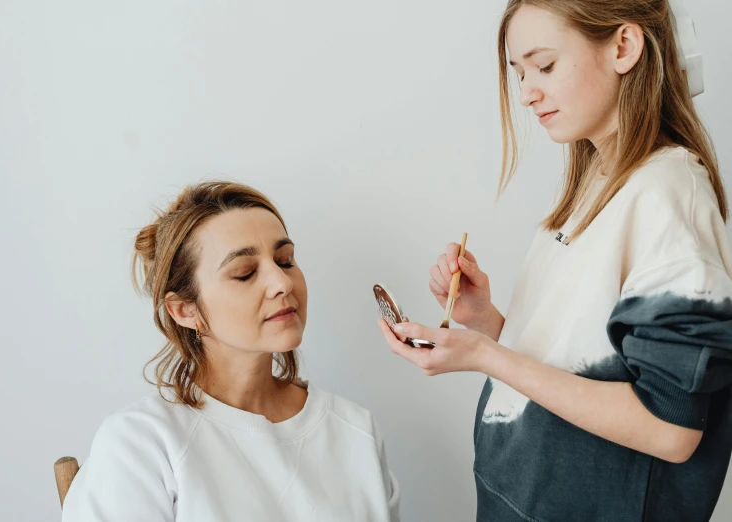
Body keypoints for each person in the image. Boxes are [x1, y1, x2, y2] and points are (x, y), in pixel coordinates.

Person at [378, 1, 732, 521]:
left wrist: (484, 355)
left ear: (623, 47)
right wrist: (489, 322)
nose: (526, 93)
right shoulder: (594, 182)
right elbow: (576, 364)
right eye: (520, 73)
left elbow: (671, 428)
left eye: (544, 66)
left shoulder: (667, 191)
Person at [63, 181, 400, 521]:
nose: (282, 283)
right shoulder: (141, 445)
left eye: (285, 261)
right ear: (184, 310)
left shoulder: (356, 431)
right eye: (245, 273)